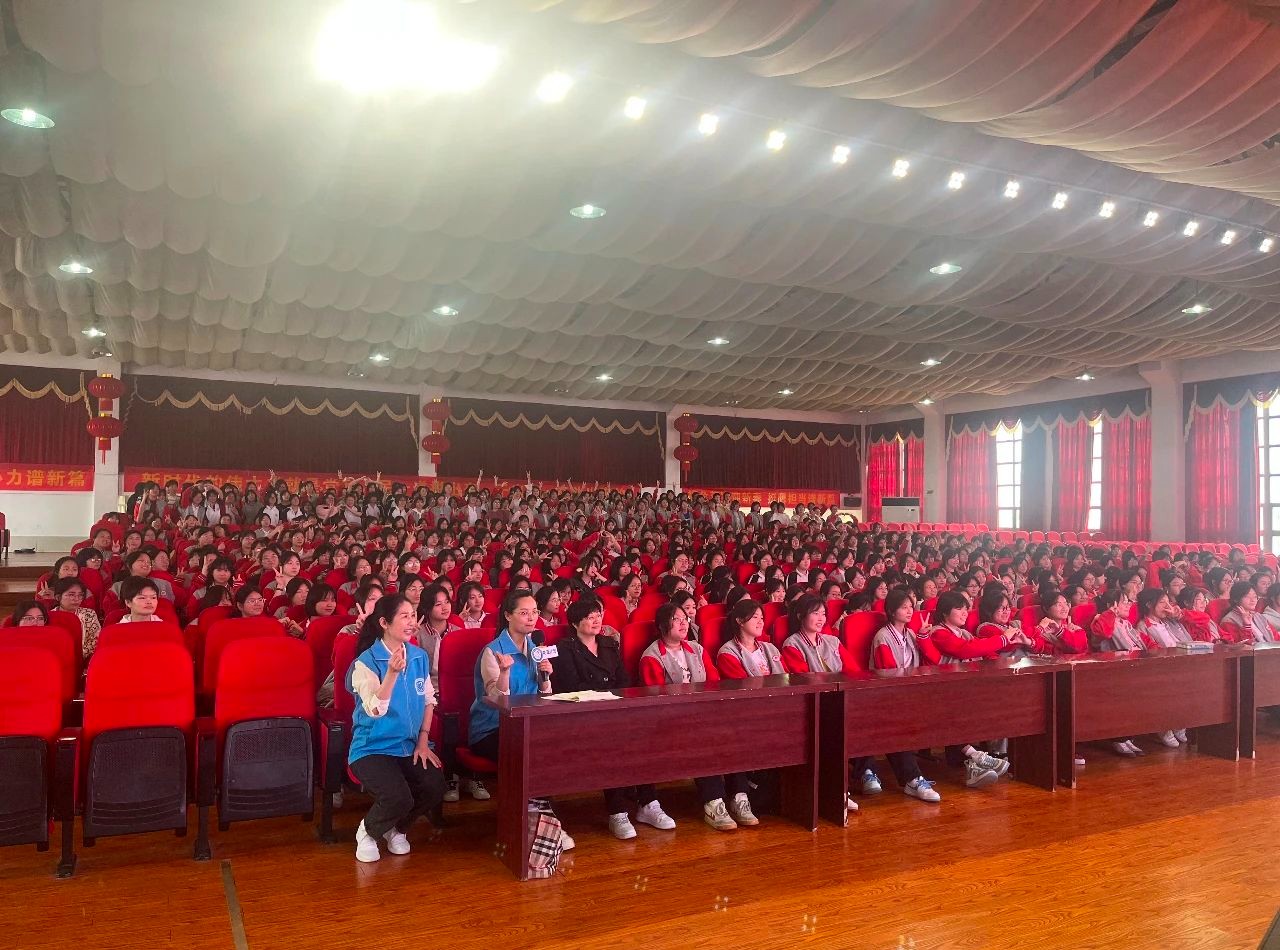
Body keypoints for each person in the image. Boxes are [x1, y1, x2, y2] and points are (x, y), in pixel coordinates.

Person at [783, 593, 940, 806]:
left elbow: (854, 672)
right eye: (815, 613)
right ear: (801, 615)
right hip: (818, 705)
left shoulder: (832, 641)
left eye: (823, 614)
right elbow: (805, 680)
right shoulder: (792, 644)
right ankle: (862, 773)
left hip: (846, 698)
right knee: (849, 722)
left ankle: (911, 778)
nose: (820, 618)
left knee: (887, 720)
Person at [550, 598, 676, 840]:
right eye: (589, 617)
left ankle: (648, 802)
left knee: (642, 736)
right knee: (611, 743)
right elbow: (570, 685)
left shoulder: (608, 644)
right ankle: (617, 811)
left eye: (598, 615)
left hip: (614, 709)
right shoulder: (565, 648)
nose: (596, 620)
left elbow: (623, 680)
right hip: (583, 715)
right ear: (575, 623)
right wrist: (603, 697)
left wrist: (616, 700)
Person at [638, 603, 756, 832]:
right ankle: (714, 802)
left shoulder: (697, 649)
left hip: (704, 713)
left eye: (685, 618)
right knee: (704, 737)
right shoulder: (652, 656)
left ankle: (739, 796)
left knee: (733, 730)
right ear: (662, 624)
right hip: (671, 719)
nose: (684, 623)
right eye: (677, 619)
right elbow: (657, 700)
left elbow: (714, 683)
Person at [346, 594, 446, 863]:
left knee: (434, 786)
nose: (412, 622)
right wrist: (390, 674)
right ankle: (368, 832)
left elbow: (428, 700)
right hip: (372, 747)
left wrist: (423, 741)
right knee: (397, 796)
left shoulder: (418, 656)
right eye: (404, 616)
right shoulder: (365, 662)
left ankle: (397, 829)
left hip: (408, 744)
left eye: (413, 615)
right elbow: (375, 710)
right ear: (384, 623)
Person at [467, 590, 571, 850]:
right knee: (527, 755)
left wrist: (546, 677)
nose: (531, 618)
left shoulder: (536, 650)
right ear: (507, 615)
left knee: (552, 749)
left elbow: (544, 697)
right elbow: (497, 700)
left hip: (525, 725)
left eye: (534, 612)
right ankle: (535, 824)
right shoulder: (492, 651)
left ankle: (542, 823)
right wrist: (504, 672)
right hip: (492, 728)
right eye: (524, 613)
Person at [715, 598, 783, 678]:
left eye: (761, 618)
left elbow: (787, 678)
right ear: (740, 621)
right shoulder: (728, 653)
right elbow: (742, 684)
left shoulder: (770, 648)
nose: (760, 622)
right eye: (755, 617)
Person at [52, 577, 102, 658]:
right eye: (71, 595)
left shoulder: (89, 614)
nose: (77, 599)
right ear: (58, 597)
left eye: (80, 595)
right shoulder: (50, 616)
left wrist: (75, 656)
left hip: (83, 659)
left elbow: (95, 642)